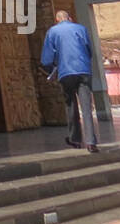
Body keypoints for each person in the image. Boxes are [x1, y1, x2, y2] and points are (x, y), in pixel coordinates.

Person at [40, 10, 100, 152]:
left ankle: (75, 139)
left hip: (66, 72)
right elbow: (88, 50)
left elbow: (46, 58)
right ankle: (91, 142)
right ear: (70, 18)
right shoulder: (81, 29)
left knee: (70, 105)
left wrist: (51, 69)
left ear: (57, 20)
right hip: (83, 71)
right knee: (86, 107)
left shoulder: (52, 32)